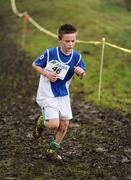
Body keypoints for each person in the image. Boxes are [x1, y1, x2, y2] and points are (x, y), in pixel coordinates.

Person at [32, 24, 86, 160]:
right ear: (60, 40)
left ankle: (52, 150)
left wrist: (81, 73)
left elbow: (82, 73)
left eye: (73, 41)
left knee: (64, 124)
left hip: (63, 92)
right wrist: (46, 74)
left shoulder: (77, 57)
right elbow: (35, 64)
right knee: (53, 124)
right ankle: (41, 120)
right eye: (67, 41)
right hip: (47, 91)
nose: (70, 44)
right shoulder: (50, 53)